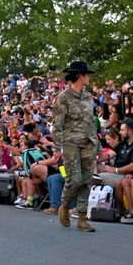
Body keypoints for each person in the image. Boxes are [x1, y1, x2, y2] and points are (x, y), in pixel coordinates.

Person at [51, 61, 98, 232]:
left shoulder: (88, 98)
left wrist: (97, 145)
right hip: (71, 143)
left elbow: (91, 123)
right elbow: (56, 125)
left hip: (89, 143)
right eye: (87, 75)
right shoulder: (63, 98)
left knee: (86, 180)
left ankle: (82, 218)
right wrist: (56, 148)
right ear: (80, 75)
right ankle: (64, 204)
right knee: (74, 179)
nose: (89, 78)